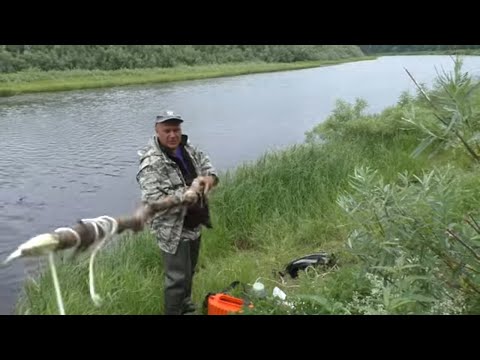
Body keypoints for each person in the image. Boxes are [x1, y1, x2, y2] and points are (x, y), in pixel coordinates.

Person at [136, 110, 219, 315]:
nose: (173, 135)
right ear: (157, 132)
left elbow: (210, 170)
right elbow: (153, 200)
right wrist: (189, 192)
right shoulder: (151, 163)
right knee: (176, 279)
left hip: (194, 222)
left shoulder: (188, 148)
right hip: (172, 229)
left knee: (189, 272)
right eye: (167, 131)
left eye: (176, 130)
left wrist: (209, 180)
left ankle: (187, 308)